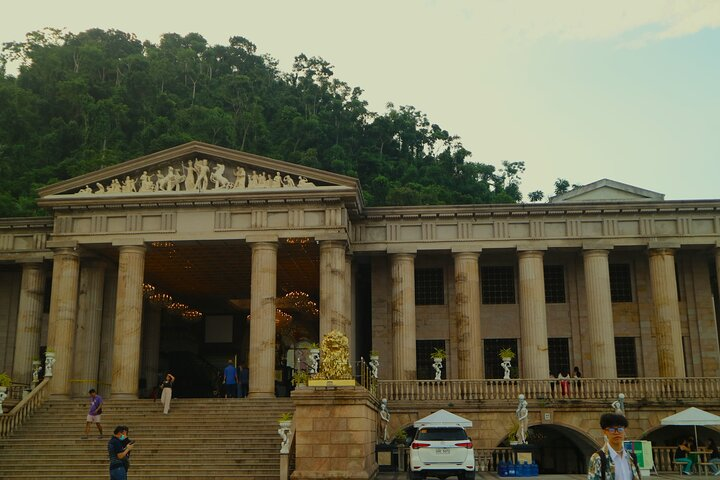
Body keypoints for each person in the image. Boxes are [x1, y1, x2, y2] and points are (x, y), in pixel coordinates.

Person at [587, 413, 641, 480]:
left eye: (620, 429)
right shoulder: (598, 458)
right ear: (605, 432)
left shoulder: (632, 457)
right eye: (612, 430)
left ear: (624, 431)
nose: (616, 433)